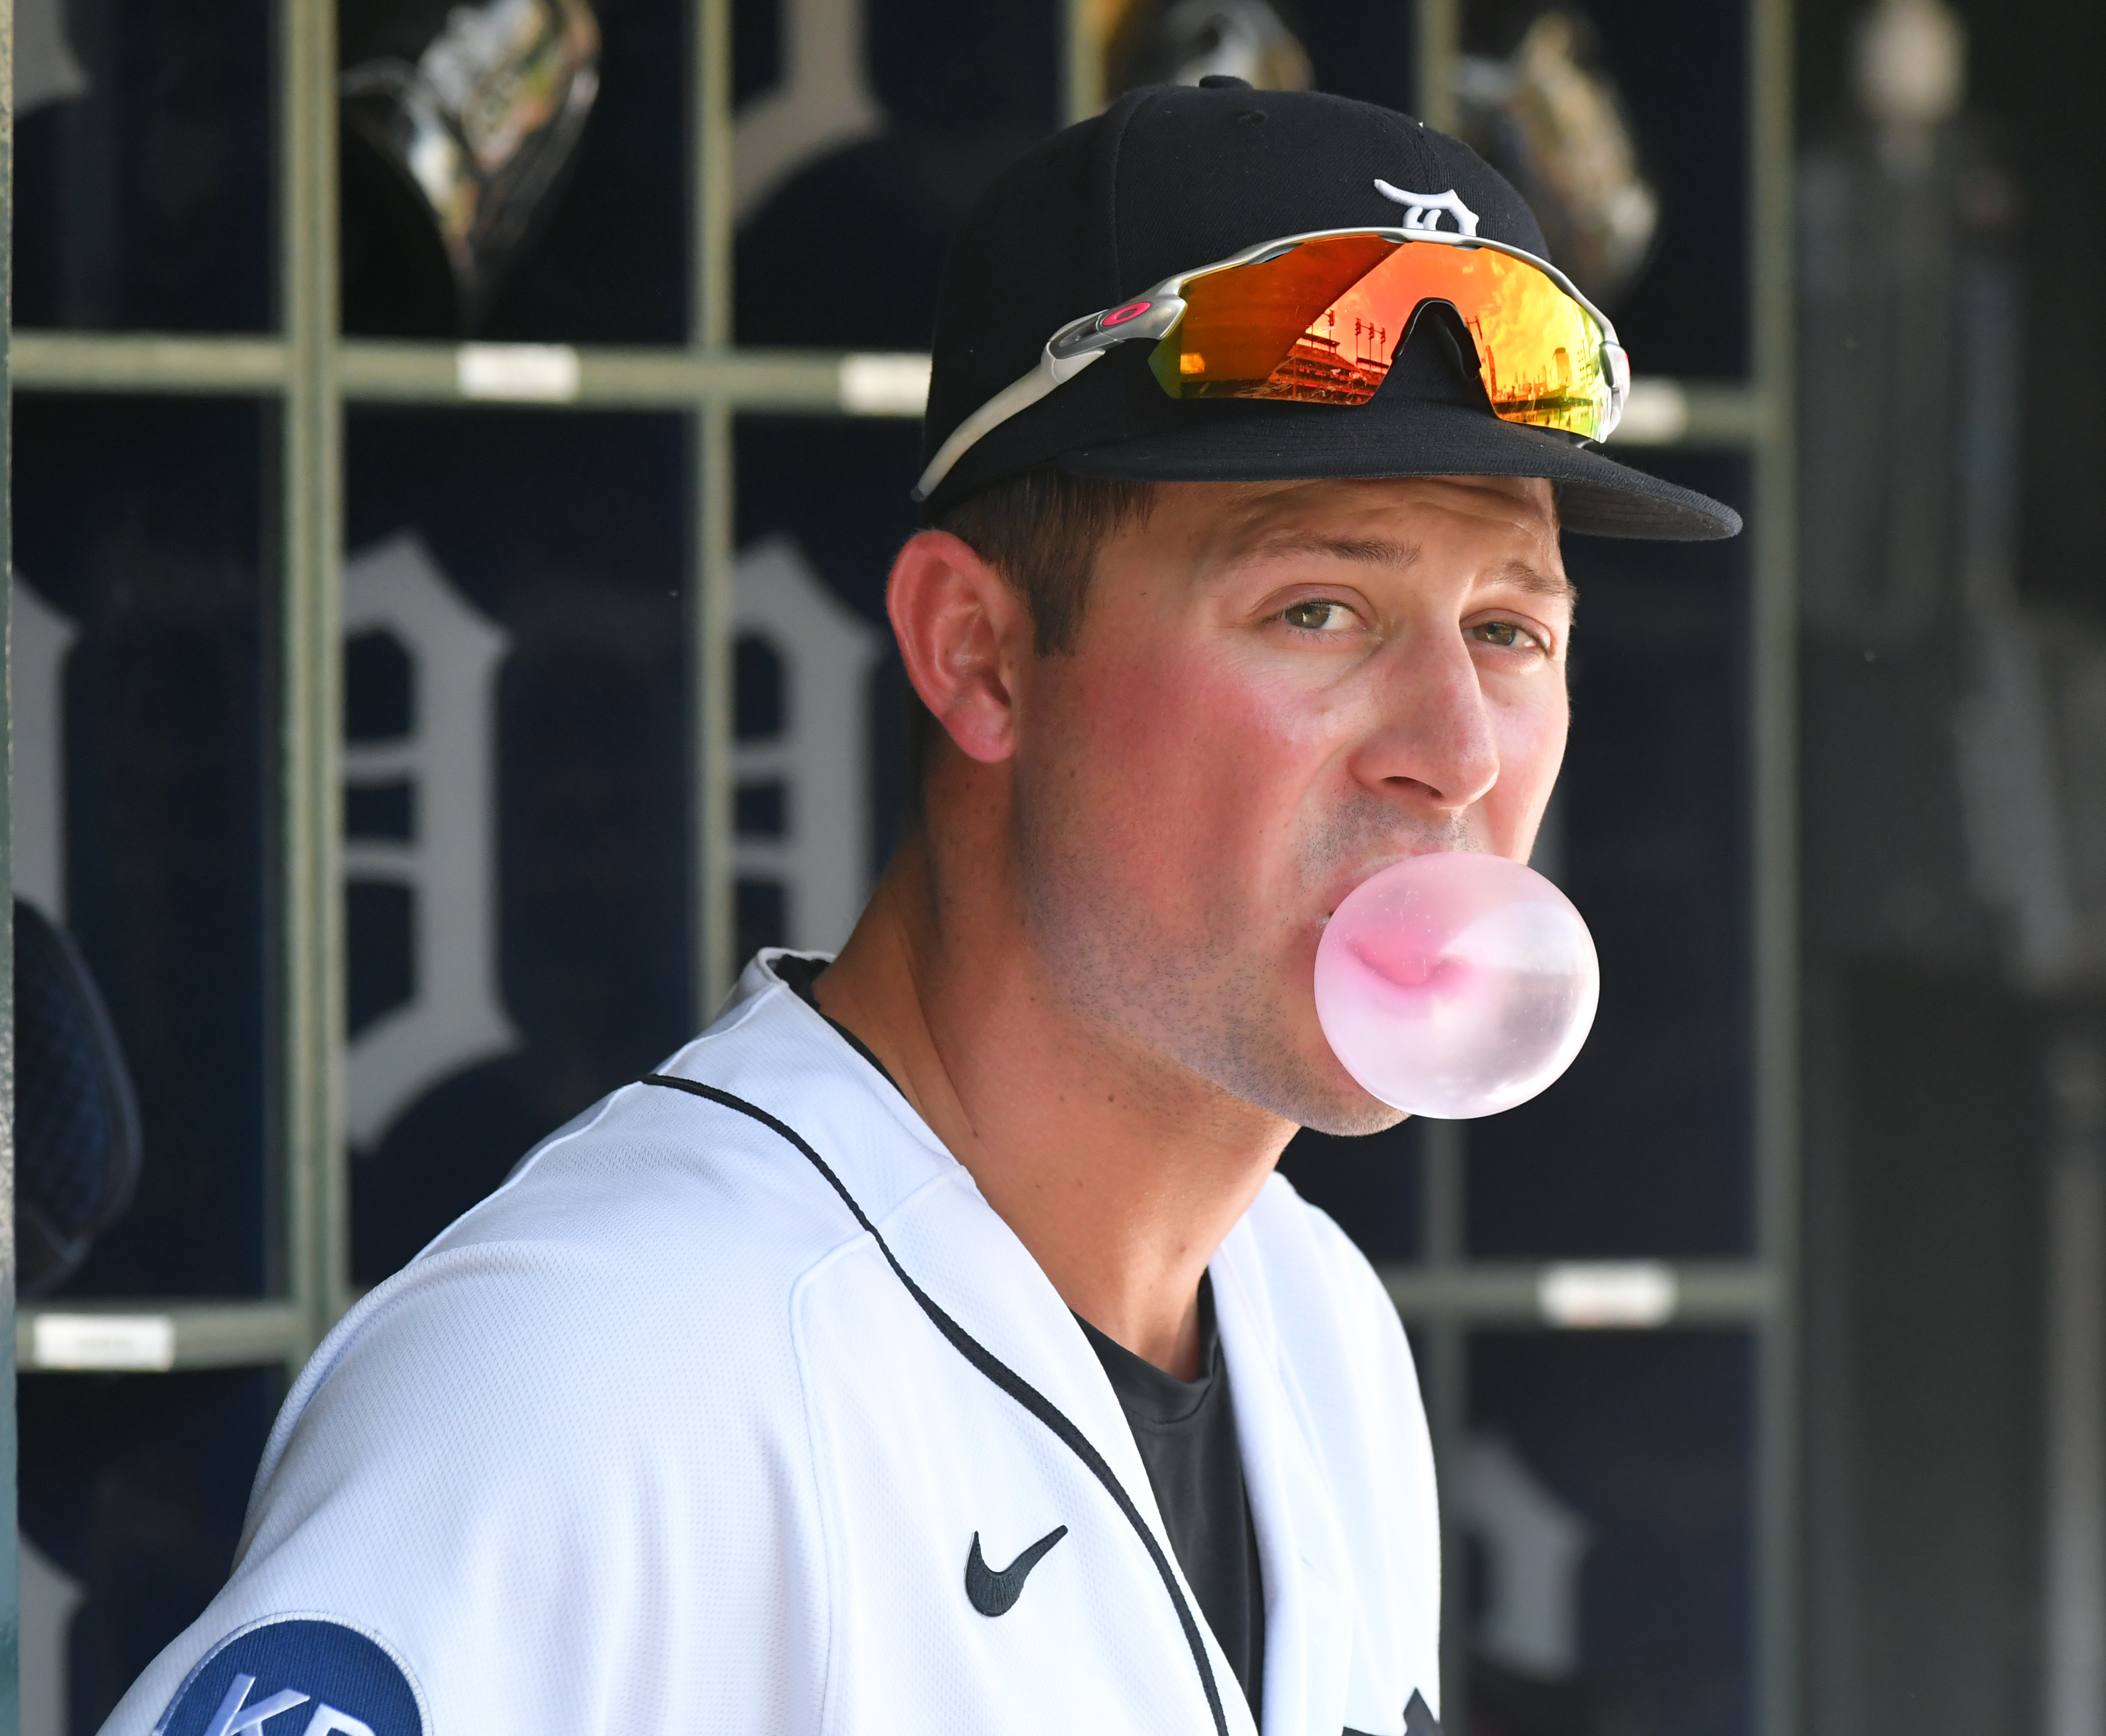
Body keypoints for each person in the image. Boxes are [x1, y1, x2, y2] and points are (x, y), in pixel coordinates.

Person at [107, 79, 1736, 1736]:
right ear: (978, 653)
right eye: (1318, 608)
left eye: (1512, 631)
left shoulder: (1323, 1336)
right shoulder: (592, 1375)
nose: (1455, 754)